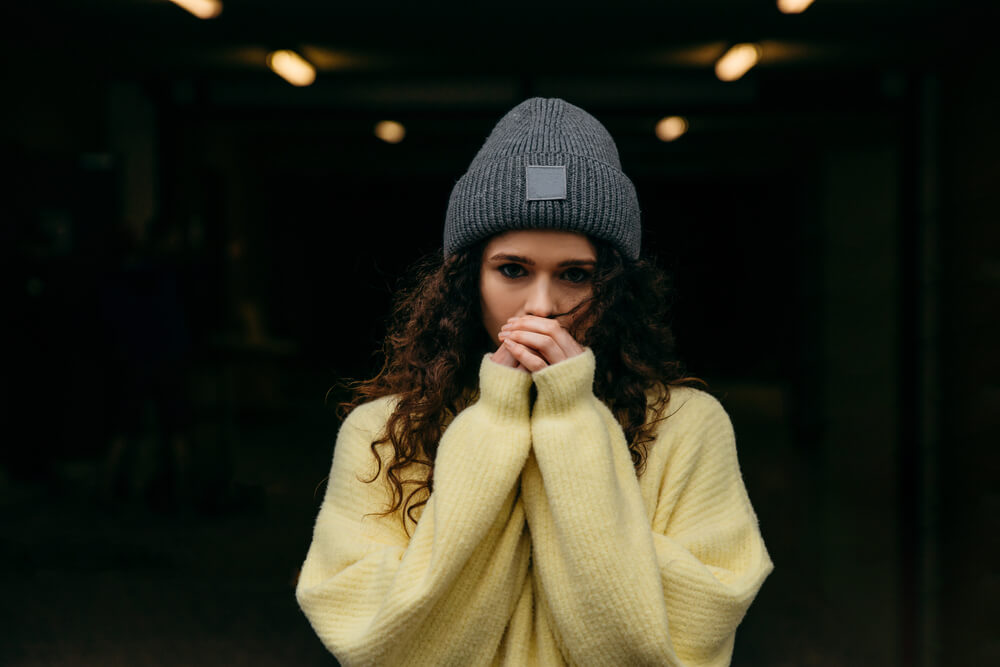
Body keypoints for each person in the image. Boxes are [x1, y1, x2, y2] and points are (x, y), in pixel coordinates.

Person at [296, 98, 772, 666]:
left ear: (616, 287)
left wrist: (570, 419)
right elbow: (384, 647)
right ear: (467, 279)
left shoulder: (686, 426)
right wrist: (496, 422)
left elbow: (677, 644)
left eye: (575, 275)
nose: (542, 306)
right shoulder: (383, 430)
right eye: (513, 270)